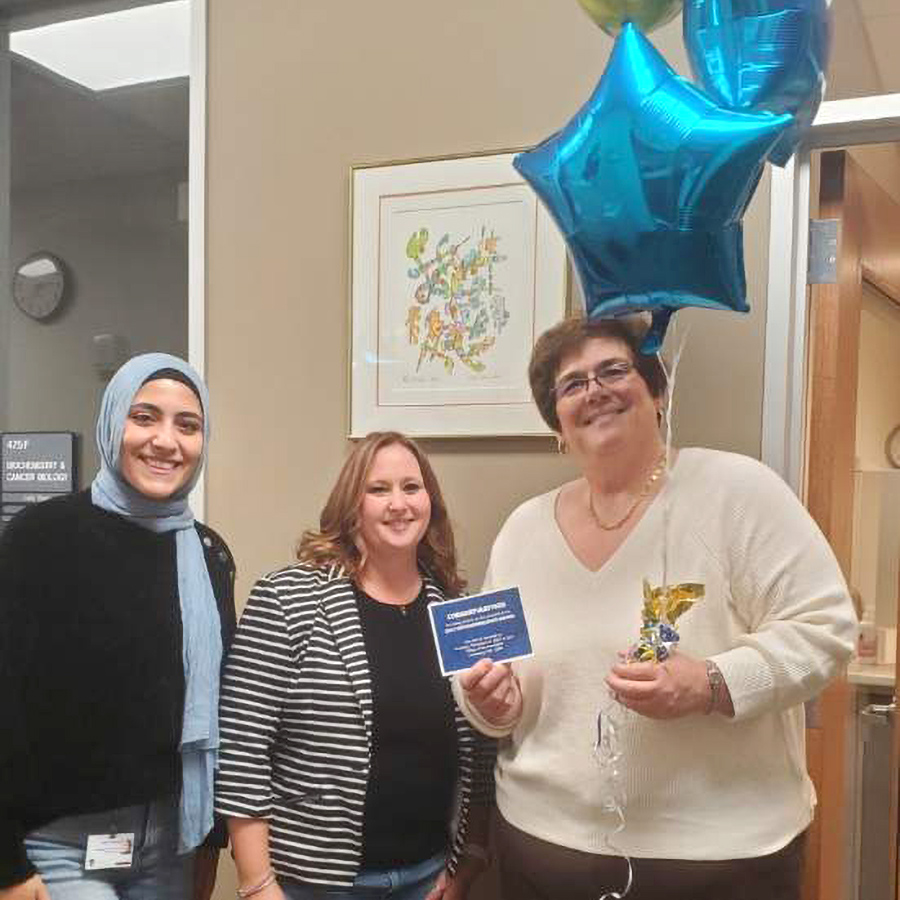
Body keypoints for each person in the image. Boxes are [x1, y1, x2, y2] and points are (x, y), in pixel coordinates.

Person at [455, 316, 857, 900]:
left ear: (658, 393)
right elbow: (490, 680)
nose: (594, 390)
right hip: (539, 853)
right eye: (571, 384)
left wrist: (710, 683)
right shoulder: (522, 530)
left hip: (719, 864)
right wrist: (491, 701)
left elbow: (826, 631)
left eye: (614, 370)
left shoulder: (739, 492)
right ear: (557, 425)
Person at [216, 431, 495, 900]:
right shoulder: (289, 599)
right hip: (312, 883)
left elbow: (482, 749)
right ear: (352, 504)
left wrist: (469, 862)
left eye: (411, 487)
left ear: (431, 501)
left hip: (428, 878)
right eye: (378, 489)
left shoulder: (455, 611)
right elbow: (243, 747)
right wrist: (256, 882)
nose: (398, 504)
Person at [0, 353, 236, 900]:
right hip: (58, 845)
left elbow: (218, 704)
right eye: (144, 417)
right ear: (112, 424)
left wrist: (210, 843)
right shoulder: (42, 538)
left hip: (172, 844)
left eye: (187, 425)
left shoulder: (208, 553)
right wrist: (5, 864)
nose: (165, 441)